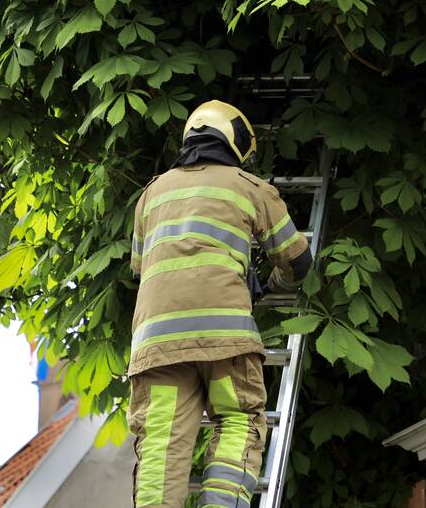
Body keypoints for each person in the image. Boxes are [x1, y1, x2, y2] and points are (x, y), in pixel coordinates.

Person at [127, 100, 313, 508]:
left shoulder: (151, 194)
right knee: (238, 420)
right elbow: (298, 260)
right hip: (225, 340)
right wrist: (272, 282)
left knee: (161, 442)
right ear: (235, 143)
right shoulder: (248, 187)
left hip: (157, 344)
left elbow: (141, 268)